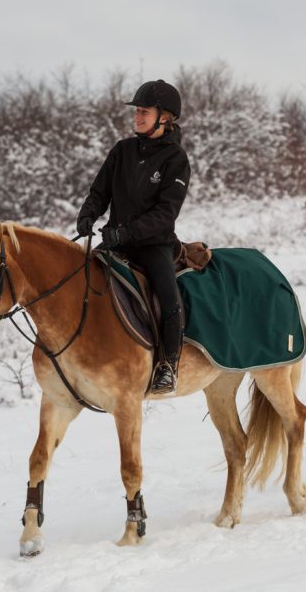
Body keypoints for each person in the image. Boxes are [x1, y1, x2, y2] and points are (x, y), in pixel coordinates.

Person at [76, 79, 191, 393]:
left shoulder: (175, 160)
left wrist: (126, 232)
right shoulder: (122, 151)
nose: (137, 116)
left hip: (155, 246)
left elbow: (165, 214)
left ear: (165, 117)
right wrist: (87, 214)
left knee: (170, 300)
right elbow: (100, 191)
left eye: (144, 111)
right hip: (116, 241)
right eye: (137, 111)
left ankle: (168, 363)